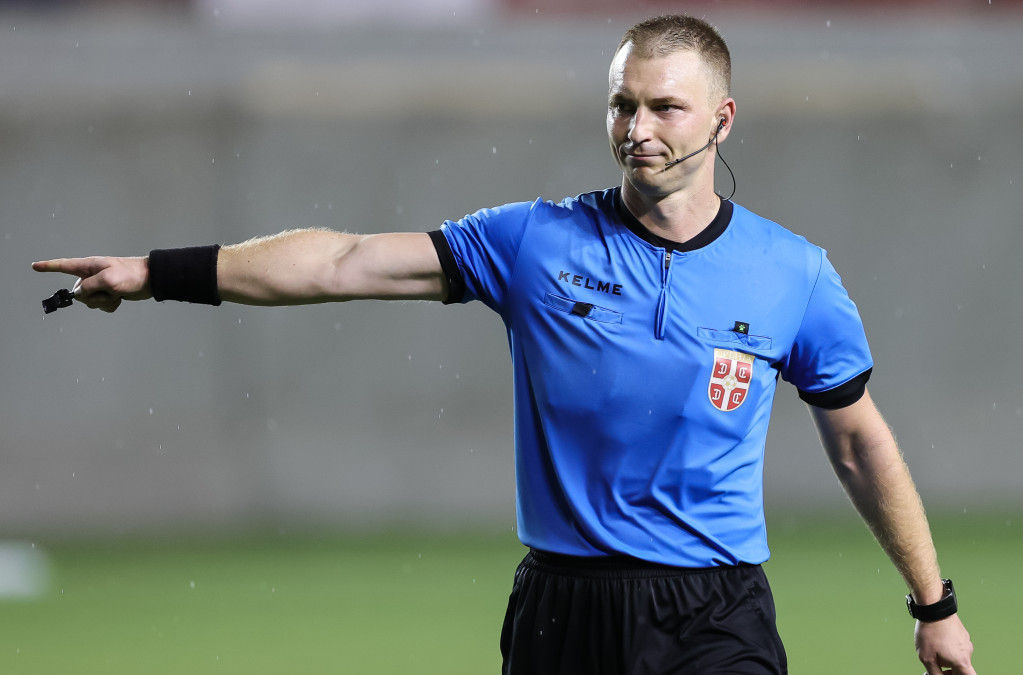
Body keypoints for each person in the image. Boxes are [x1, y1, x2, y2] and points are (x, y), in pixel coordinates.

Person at [33, 14, 975, 675]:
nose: (636, 130)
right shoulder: (533, 241)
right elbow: (342, 261)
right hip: (562, 609)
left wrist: (932, 605)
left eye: (665, 108)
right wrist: (157, 270)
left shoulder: (792, 273)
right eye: (621, 105)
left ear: (722, 120)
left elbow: (859, 442)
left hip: (713, 613)